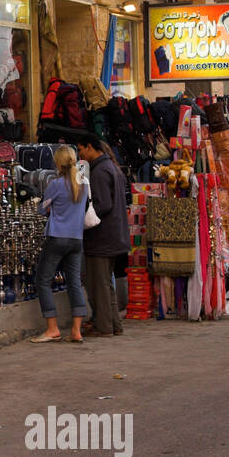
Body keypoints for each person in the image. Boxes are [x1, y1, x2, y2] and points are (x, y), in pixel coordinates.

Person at [31, 145, 89, 344]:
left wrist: (44, 204)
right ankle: (76, 330)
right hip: (76, 238)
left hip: (57, 237)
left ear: (58, 163)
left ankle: (52, 328)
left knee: (43, 280)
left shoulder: (56, 184)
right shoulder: (83, 183)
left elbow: (42, 209)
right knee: (74, 282)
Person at [78, 137, 130, 337]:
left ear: (90, 147)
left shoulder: (99, 171)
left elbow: (102, 205)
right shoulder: (111, 167)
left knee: (98, 284)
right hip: (113, 236)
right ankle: (114, 325)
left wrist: (82, 219)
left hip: (102, 237)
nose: (80, 156)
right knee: (106, 284)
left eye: (81, 150)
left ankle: (104, 326)